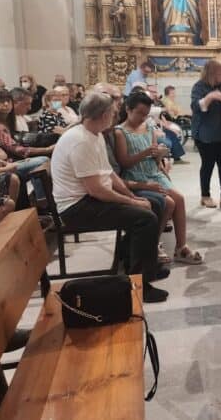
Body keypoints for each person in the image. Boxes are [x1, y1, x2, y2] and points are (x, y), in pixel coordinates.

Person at [50, 92, 169, 303]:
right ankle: (138, 286)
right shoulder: (80, 141)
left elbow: (110, 174)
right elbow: (97, 190)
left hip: (89, 198)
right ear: (103, 114)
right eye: (113, 112)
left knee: (152, 206)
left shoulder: (94, 134)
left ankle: (141, 266)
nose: (116, 115)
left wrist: (131, 195)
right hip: (76, 208)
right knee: (145, 218)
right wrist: (133, 202)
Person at [115, 92, 203, 265]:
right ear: (128, 109)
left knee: (179, 198)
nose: (143, 117)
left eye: (146, 114)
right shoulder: (121, 132)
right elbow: (124, 162)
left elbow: (156, 154)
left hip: (154, 171)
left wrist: (160, 154)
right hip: (136, 175)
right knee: (170, 201)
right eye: (139, 113)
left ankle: (180, 246)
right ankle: (153, 243)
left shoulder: (148, 126)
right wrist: (146, 152)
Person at [94, 82, 172, 263]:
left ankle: (146, 253)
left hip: (122, 183)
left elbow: (111, 174)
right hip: (89, 201)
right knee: (154, 206)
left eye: (117, 101)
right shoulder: (90, 137)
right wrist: (132, 197)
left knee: (161, 201)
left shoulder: (101, 134)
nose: (116, 107)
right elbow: (99, 186)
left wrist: (158, 160)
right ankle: (140, 266)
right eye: (110, 101)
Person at [191, 60, 221, 209]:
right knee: (207, 165)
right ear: (212, 73)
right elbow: (196, 107)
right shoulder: (199, 86)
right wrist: (210, 97)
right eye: (220, 72)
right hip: (205, 135)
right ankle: (205, 196)